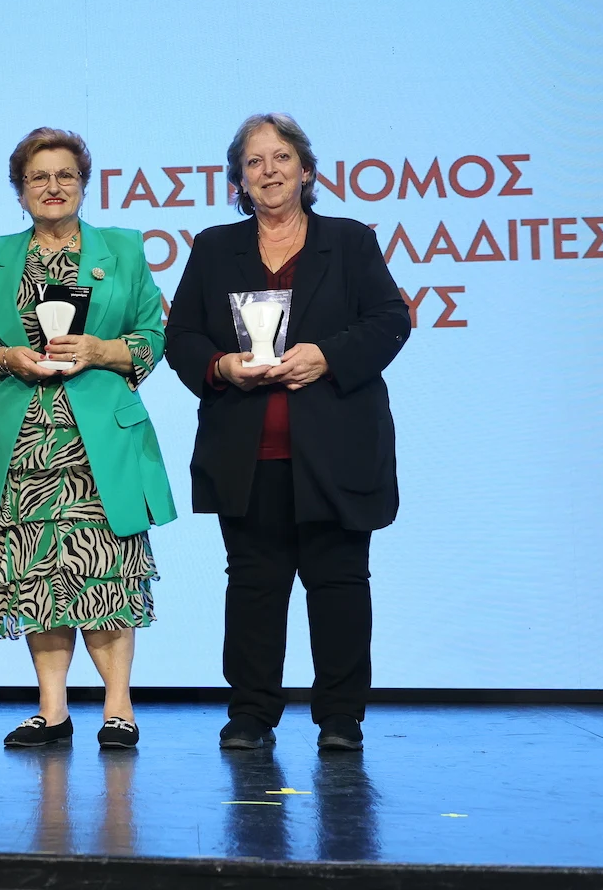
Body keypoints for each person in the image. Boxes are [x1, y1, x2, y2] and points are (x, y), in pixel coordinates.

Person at [164, 113, 409, 752]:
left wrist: (326, 354)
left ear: (306, 170)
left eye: (280, 158)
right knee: (252, 586)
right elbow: (181, 338)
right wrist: (221, 367)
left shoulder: (350, 242)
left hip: (335, 450)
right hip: (248, 451)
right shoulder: (216, 247)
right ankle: (250, 713)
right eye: (253, 162)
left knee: (340, 585)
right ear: (238, 180)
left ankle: (339, 718)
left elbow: (390, 321)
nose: (268, 171)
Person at [0, 128, 177, 750]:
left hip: (97, 440)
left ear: (84, 183)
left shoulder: (123, 250)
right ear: (20, 191)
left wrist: (103, 350)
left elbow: (153, 336)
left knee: (106, 573)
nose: (52, 187)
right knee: (34, 578)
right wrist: (6, 359)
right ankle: (52, 712)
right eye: (38, 177)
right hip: (22, 445)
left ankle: (118, 709)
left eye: (65, 176)